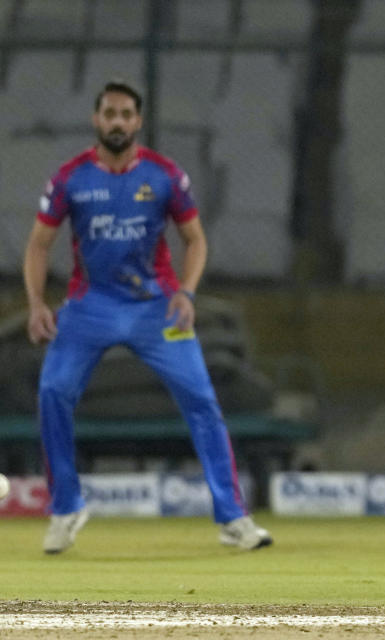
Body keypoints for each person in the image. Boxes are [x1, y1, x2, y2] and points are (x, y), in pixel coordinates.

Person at [22, 80, 272, 554]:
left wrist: (188, 293)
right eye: (109, 113)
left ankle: (233, 518)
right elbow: (38, 245)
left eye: (126, 114)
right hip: (89, 305)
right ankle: (66, 507)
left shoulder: (164, 175)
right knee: (53, 391)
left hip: (156, 307)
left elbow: (195, 239)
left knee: (201, 400)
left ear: (137, 122)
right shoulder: (70, 177)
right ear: (97, 120)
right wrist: (36, 304)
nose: (117, 122)